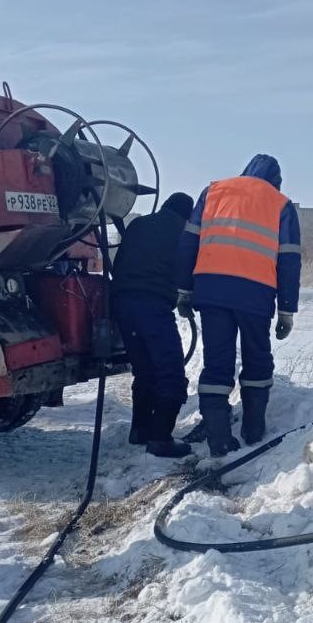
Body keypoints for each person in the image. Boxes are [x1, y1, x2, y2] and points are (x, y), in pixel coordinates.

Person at [177, 154, 301, 456]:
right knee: (257, 358)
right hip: (255, 295)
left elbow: (189, 241)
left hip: (212, 290)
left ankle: (218, 438)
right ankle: (253, 430)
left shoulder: (213, 192)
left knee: (216, 362)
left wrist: (184, 289)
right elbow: (289, 260)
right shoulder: (281, 204)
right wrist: (286, 310)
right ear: (276, 181)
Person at [112, 192, 195, 457]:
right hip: (153, 306)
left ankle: (140, 430)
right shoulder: (183, 233)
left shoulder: (138, 224)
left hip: (122, 305)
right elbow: (187, 272)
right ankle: (160, 438)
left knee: (144, 370)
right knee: (171, 373)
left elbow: (118, 262)